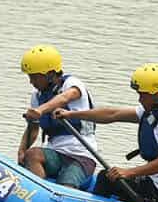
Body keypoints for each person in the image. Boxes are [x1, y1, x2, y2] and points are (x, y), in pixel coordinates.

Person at [54, 63, 158, 202]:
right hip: (156, 183)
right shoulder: (152, 110)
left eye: (143, 95)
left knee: (106, 178)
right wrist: (71, 114)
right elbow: (112, 114)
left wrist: (128, 172)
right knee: (111, 176)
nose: (140, 99)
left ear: (156, 95)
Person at [16, 45, 97, 187]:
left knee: (67, 183)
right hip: (55, 153)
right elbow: (33, 129)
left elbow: (66, 97)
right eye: (30, 77)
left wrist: (41, 110)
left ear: (50, 74)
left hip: (81, 156)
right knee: (32, 154)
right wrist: (22, 150)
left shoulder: (71, 84)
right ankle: (36, 192)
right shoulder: (37, 96)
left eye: (35, 77)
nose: (31, 82)